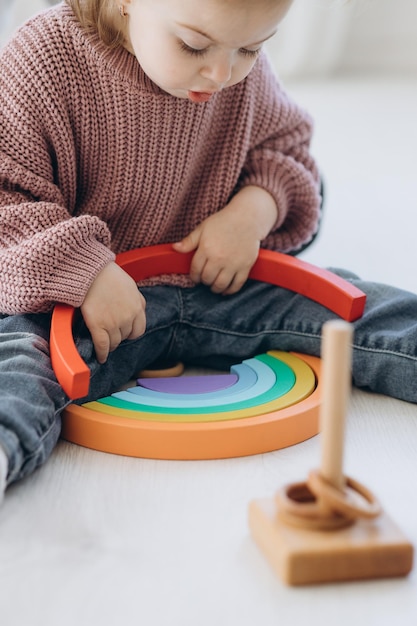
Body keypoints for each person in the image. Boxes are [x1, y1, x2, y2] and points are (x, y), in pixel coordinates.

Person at [0, 0, 416, 505]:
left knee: (358, 304)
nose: (222, 73)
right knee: (20, 362)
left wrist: (252, 212)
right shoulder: (44, 59)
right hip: (85, 307)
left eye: (252, 48)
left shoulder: (237, 69)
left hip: (222, 285)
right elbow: (8, 199)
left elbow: (287, 151)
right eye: (192, 45)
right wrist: (83, 271)